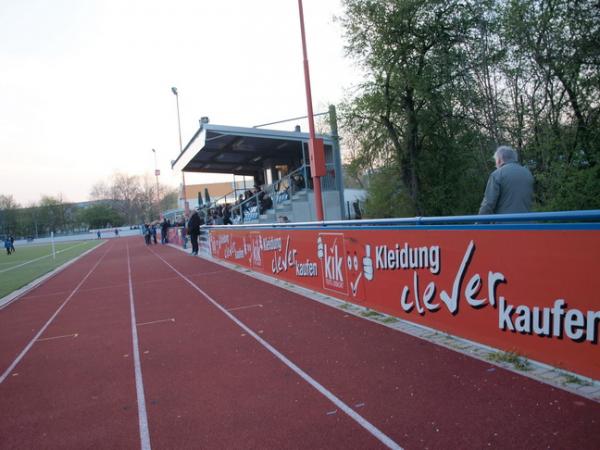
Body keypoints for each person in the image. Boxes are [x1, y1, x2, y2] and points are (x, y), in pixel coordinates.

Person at [479, 145, 534, 215]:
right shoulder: (527, 173)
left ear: (499, 160)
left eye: (495, 161)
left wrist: (479, 223)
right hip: (528, 223)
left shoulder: (497, 174)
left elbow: (488, 204)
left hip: (504, 223)